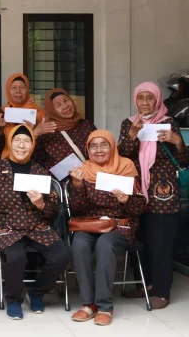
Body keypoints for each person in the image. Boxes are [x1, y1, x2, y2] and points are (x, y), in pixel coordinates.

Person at [0, 125, 70, 320]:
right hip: (6, 227)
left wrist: (41, 204)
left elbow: (53, 210)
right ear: (10, 143)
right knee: (16, 257)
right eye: (17, 140)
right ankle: (13, 299)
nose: (21, 145)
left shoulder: (39, 171)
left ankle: (36, 292)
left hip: (36, 227)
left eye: (26, 141)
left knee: (61, 254)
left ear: (32, 144)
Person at [118, 82, 189, 309]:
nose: (145, 103)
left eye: (150, 98)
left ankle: (161, 291)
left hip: (163, 194)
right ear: (135, 100)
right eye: (141, 98)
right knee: (141, 240)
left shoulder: (169, 124)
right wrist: (131, 135)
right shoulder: (128, 123)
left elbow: (185, 162)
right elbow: (122, 157)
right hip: (137, 192)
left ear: (158, 100)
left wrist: (177, 142)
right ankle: (145, 284)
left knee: (161, 243)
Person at [68, 130, 147, 326]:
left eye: (104, 145)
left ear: (112, 147)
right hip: (90, 223)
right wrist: (77, 186)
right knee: (79, 244)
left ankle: (104, 306)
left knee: (105, 244)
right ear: (88, 149)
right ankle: (88, 304)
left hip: (120, 225)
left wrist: (126, 200)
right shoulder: (84, 171)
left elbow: (140, 208)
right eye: (93, 146)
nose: (99, 150)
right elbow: (77, 208)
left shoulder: (126, 166)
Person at [35, 88, 96, 174]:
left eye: (66, 100)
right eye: (58, 105)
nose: (65, 106)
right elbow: (37, 163)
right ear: (52, 110)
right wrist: (34, 134)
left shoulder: (86, 125)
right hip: (62, 185)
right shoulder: (48, 133)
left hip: (90, 180)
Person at [0, 74, 53, 159]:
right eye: (14, 88)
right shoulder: (1, 113)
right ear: (8, 90)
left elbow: (47, 147)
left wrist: (33, 132)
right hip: (7, 162)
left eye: (22, 87)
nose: (18, 91)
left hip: (33, 162)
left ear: (27, 90)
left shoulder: (39, 112)